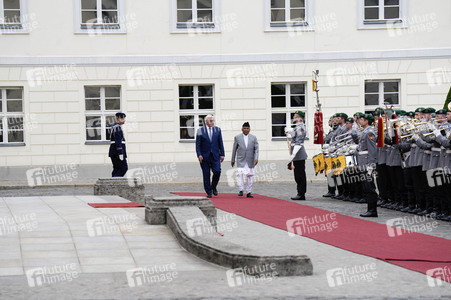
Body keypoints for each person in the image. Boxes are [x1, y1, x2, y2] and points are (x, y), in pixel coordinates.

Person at [196, 115, 225, 198]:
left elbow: (220, 143)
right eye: (211, 121)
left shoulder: (217, 130)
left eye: (213, 121)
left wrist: (222, 154)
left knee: (217, 171)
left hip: (215, 155)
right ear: (206, 122)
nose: (212, 122)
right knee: (206, 174)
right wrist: (199, 154)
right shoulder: (200, 131)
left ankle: (213, 186)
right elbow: (198, 145)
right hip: (204, 156)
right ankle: (208, 191)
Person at [231, 122, 259, 198]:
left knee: (250, 176)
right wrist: (232, 159)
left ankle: (249, 192)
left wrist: (256, 158)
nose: (246, 130)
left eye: (247, 128)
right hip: (241, 159)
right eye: (244, 128)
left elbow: (256, 149)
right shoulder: (237, 137)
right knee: (239, 175)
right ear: (242, 129)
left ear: (249, 129)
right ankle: (241, 190)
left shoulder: (254, 138)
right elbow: (234, 149)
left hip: (250, 159)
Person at [358, 113, 379, 217]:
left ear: (366, 121)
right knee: (366, 186)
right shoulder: (365, 131)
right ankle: (370, 209)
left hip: (367, 163)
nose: (359, 121)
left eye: (361, 119)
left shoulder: (369, 132)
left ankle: (372, 210)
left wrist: (371, 164)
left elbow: (372, 149)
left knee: (369, 187)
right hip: (363, 162)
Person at [286, 111, 308, 200]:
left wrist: (293, 155)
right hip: (296, 155)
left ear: (299, 118)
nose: (293, 118)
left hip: (298, 154)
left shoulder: (300, 127)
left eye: (295, 116)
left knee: (300, 175)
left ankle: (301, 193)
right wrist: (290, 132)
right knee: (297, 175)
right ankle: (299, 192)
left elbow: (299, 142)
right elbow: (295, 136)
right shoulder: (297, 127)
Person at [109, 112, 128, 177]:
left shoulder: (114, 127)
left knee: (116, 169)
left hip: (113, 152)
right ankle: (114, 182)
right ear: (118, 119)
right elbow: (118, 141)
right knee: (124, 168)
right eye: (122, 118)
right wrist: (120, 153)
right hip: (117, 152)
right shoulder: (117, 127)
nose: (124, 120)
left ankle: (112, 182)